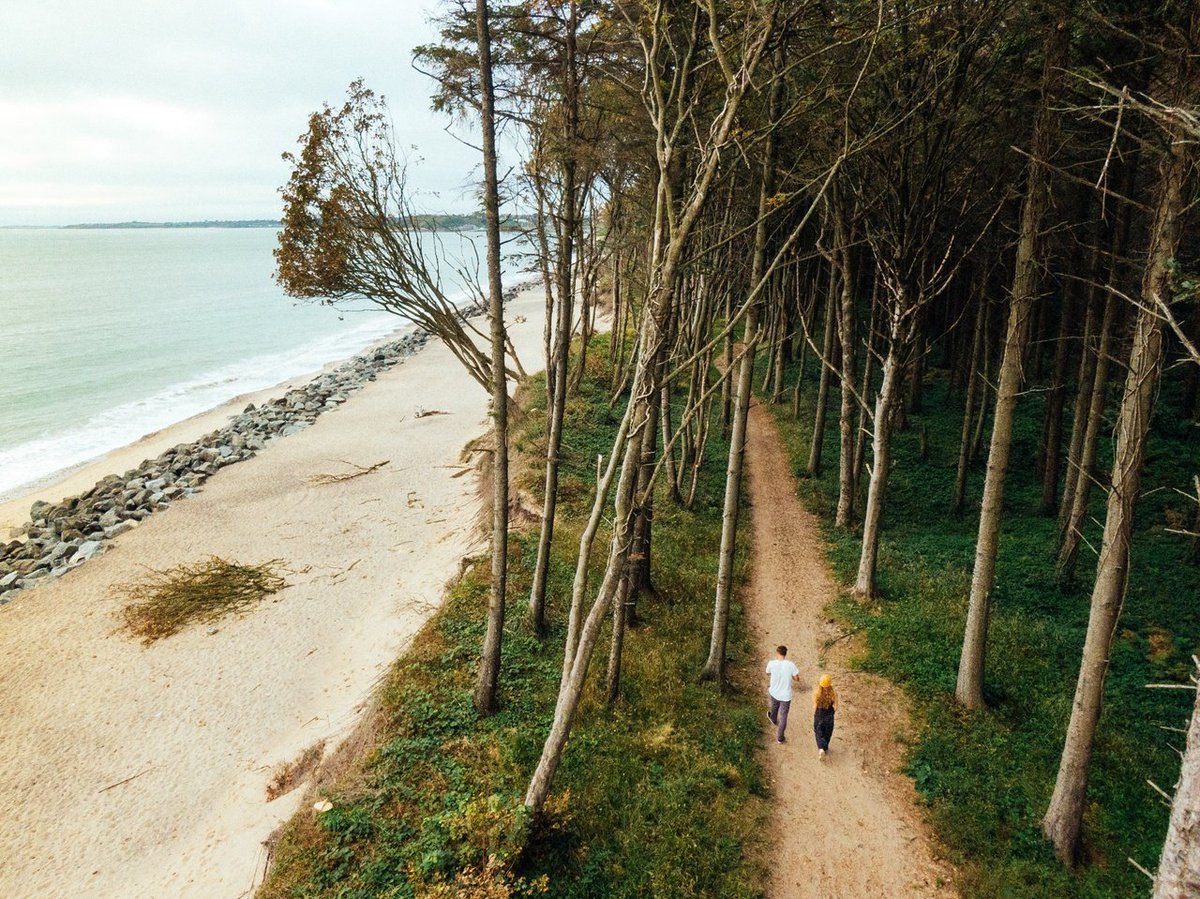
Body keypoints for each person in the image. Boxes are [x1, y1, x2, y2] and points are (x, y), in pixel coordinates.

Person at [765, 645, 800, 743]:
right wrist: (792, 677)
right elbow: (797, 678)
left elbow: (767, 673)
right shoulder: (790, 665)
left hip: (774, 691)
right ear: (785, 654)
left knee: (775, 704)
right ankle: (780, 737)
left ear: (777, 653)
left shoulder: (771, 663)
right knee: (783, 715)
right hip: (785, 695)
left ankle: (773, 718)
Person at [813, 673, 837, 759]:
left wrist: (815, 714)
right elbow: (836, 706)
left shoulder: (817, 693)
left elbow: (815, 706)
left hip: (819, 714)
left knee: (818, 731)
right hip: (829, 715)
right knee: (828, 732)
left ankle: (821, 749)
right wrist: (832, 713)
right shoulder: (833, 693)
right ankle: (825, 748)